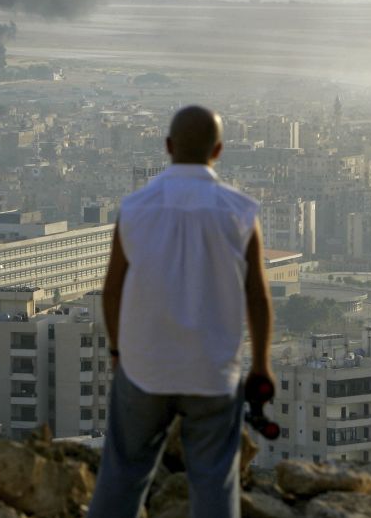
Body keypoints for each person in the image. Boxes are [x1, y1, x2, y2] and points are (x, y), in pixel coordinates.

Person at [89, 105, 274, 518]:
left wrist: (119, 351)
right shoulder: (240, 212)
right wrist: (261, 364)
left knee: (123, 474)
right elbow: (258, 297)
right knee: (214, 481)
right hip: (212, 370)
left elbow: (113, 288)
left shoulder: (135, 208)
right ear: (219, 150)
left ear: (168, 146)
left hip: (143, 369)